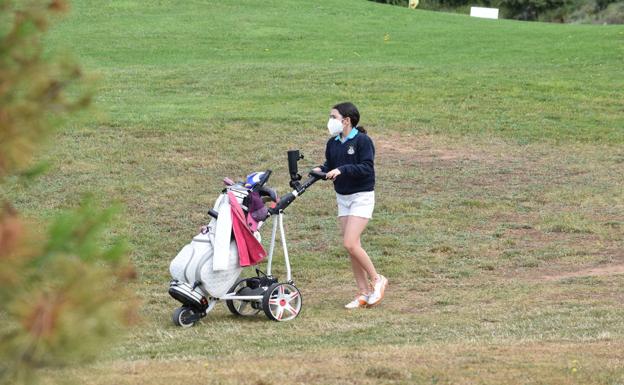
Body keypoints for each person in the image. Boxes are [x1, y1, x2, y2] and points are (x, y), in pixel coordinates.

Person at [313, 102, 388, 309]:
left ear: (346, 120)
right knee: (353, 248)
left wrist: (342, 170)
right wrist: (320, 169)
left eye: (333, 117)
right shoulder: (333, 143)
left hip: (361, 197)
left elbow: (366, 167)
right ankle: (363, 292)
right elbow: (330, 165)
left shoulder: (363, 141)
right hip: (343, 198)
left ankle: (377, 279)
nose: (330, 121)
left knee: (350, 243)